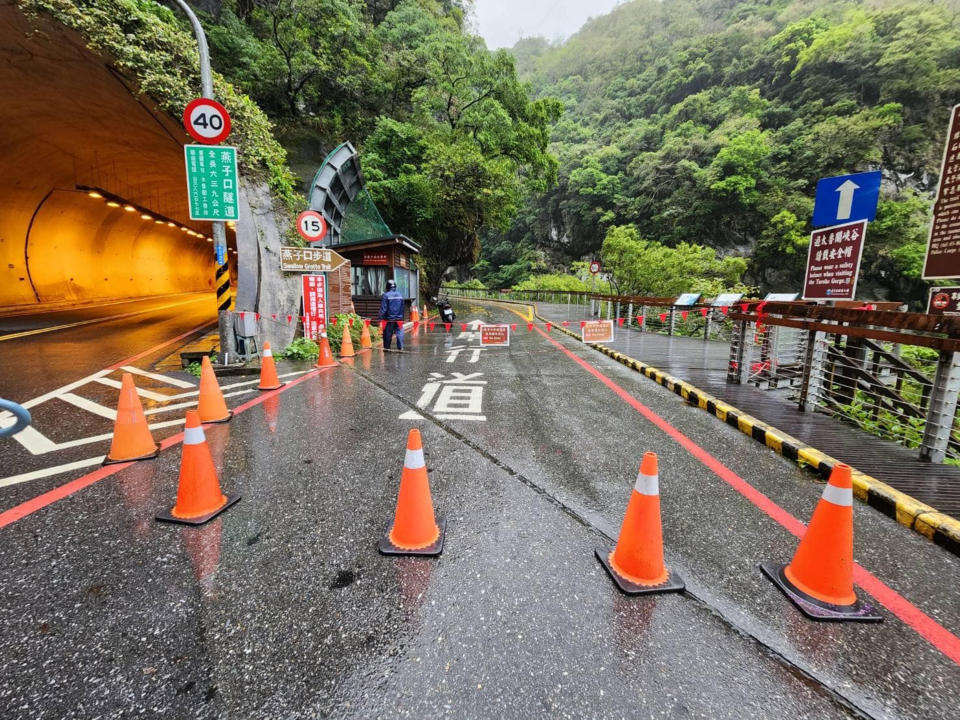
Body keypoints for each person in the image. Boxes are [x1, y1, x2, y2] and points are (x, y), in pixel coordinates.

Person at [379, 278, 405, 351]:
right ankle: (401, 347)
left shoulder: (386, 295)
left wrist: (380, 318)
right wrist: (402, 317)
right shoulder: (400, 295)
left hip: (389, 319)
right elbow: (403, 307)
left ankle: (387, 348)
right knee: (400, 332)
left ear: (387, 287)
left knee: (387, 334)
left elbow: (383, 309)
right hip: (399, 318)